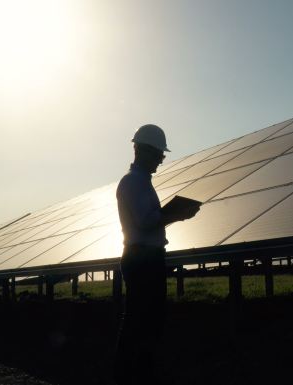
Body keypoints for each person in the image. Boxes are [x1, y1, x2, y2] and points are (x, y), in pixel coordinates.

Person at [114, 124, 199, 384]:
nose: (161, 160)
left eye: (162, 155)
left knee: (147, 317)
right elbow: (145, 221)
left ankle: (138, 370)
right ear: (141, 151)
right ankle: (131, 372)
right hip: (142, 259)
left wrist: (175, 216)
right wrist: (176, 214)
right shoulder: (134, 183)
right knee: (141, 318)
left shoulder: (140, 182)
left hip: (145, 257)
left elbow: (150, 221)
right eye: (158, 154)